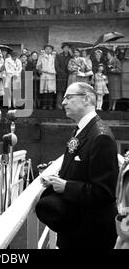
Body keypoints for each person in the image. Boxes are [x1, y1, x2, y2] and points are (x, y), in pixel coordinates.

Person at [36, 82, 119, 249]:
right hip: (77, 228)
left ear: (86, 99)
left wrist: (66, 186)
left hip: (91, 236)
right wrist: (56, 180)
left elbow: (105, 192)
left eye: (68, 97)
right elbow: (82, 171)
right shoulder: (80, 130)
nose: (63, 102)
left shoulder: (100, 137)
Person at [37, 44, 56, 110]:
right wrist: (40, 71)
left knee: (50, 91)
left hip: (51, 75)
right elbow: (38, 66)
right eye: (46, 49)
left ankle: (50, 105)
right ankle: (44, 105)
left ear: (51, 50)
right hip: (44, 75)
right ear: (44, 50)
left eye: (49, 49)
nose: (48, 50)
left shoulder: (54, 57)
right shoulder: (41, 57)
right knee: (44, 91)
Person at [55, 43, 72, 110]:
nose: (66, 49)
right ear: (63, 48)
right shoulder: (59, 56)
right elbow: (57, 66)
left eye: (67, 48)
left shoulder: (70, 57)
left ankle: (66, 105)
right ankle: (58, 105)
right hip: (60, 76)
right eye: (65, 48)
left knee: (67, 91)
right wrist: (61, 72)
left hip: (68, 76)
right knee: (60, 91)